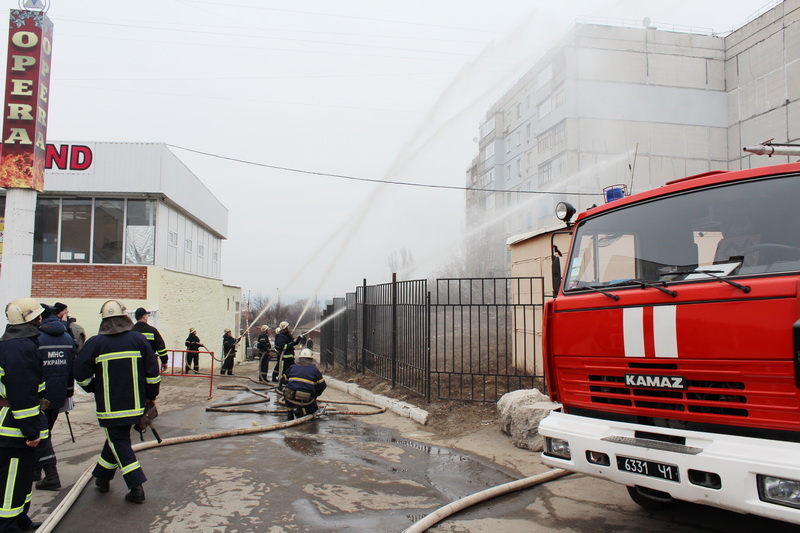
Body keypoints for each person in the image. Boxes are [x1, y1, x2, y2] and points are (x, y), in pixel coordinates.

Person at [75, 300, 161, 504]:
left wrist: (94, 387)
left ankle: (136, 487)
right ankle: (102, 478)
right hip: (136, 405)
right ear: (124, 317)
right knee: (116, 439)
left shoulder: (95, 343)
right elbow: (153, 373)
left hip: (110, 408)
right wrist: (151, 397)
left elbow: (80, 374)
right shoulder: (138, 340)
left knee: (119, 441)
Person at [0, 298, 49, 532]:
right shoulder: (21, 347)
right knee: (12, 481)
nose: (42, 319)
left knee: (22, 479)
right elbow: (22, 394)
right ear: (30, 319)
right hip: (13, 428)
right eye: (38, 316)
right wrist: (31, 431)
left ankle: (20, 519)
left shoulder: (17, 344)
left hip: (15, 424)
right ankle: (8, 526)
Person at [34, 304, 76, 491]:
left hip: (40, 396)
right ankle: (36, 470)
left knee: (40, 435)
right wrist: (68, 393)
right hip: (58, 394)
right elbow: (71, 369)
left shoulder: (36, 338)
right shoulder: (67, 337)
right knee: (45, 433)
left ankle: (49, 474)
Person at [283, 340, 326, 420]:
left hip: (290, 397)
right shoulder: (314, 369)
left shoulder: (293, 367)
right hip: (307, 399)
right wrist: (315, 395)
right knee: (313, 408)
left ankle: (290, 413)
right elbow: (322, 385)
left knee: (286, 391)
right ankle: (303, 412)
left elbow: (284, 380)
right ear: (311, 359)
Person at [132, 307, 169, 373]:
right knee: (152, 381)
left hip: (135, 362)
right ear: (144, 317)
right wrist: (164, 361)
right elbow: (161, 348)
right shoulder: (152, 330)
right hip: (150, 362)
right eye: (146, 315)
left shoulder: (131, 331)